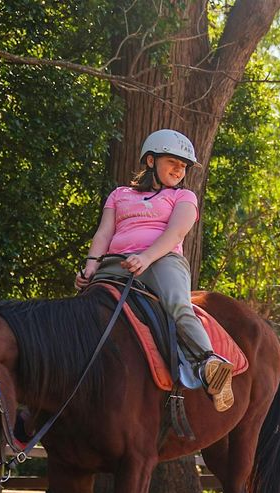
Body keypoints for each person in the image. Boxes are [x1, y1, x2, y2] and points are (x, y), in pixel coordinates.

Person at [75, 129, 234, 412]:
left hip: (162, 261)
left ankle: (209, 361)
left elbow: (175, 233)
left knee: (177, 304)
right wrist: (90, 267)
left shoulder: (184, 197)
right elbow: (104, 233)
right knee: (81, 310)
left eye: (184, 166)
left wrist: (146, 257)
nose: (179, 169)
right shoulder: (119, 195)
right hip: (115, 263)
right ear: (150, 161)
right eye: (172, 161)